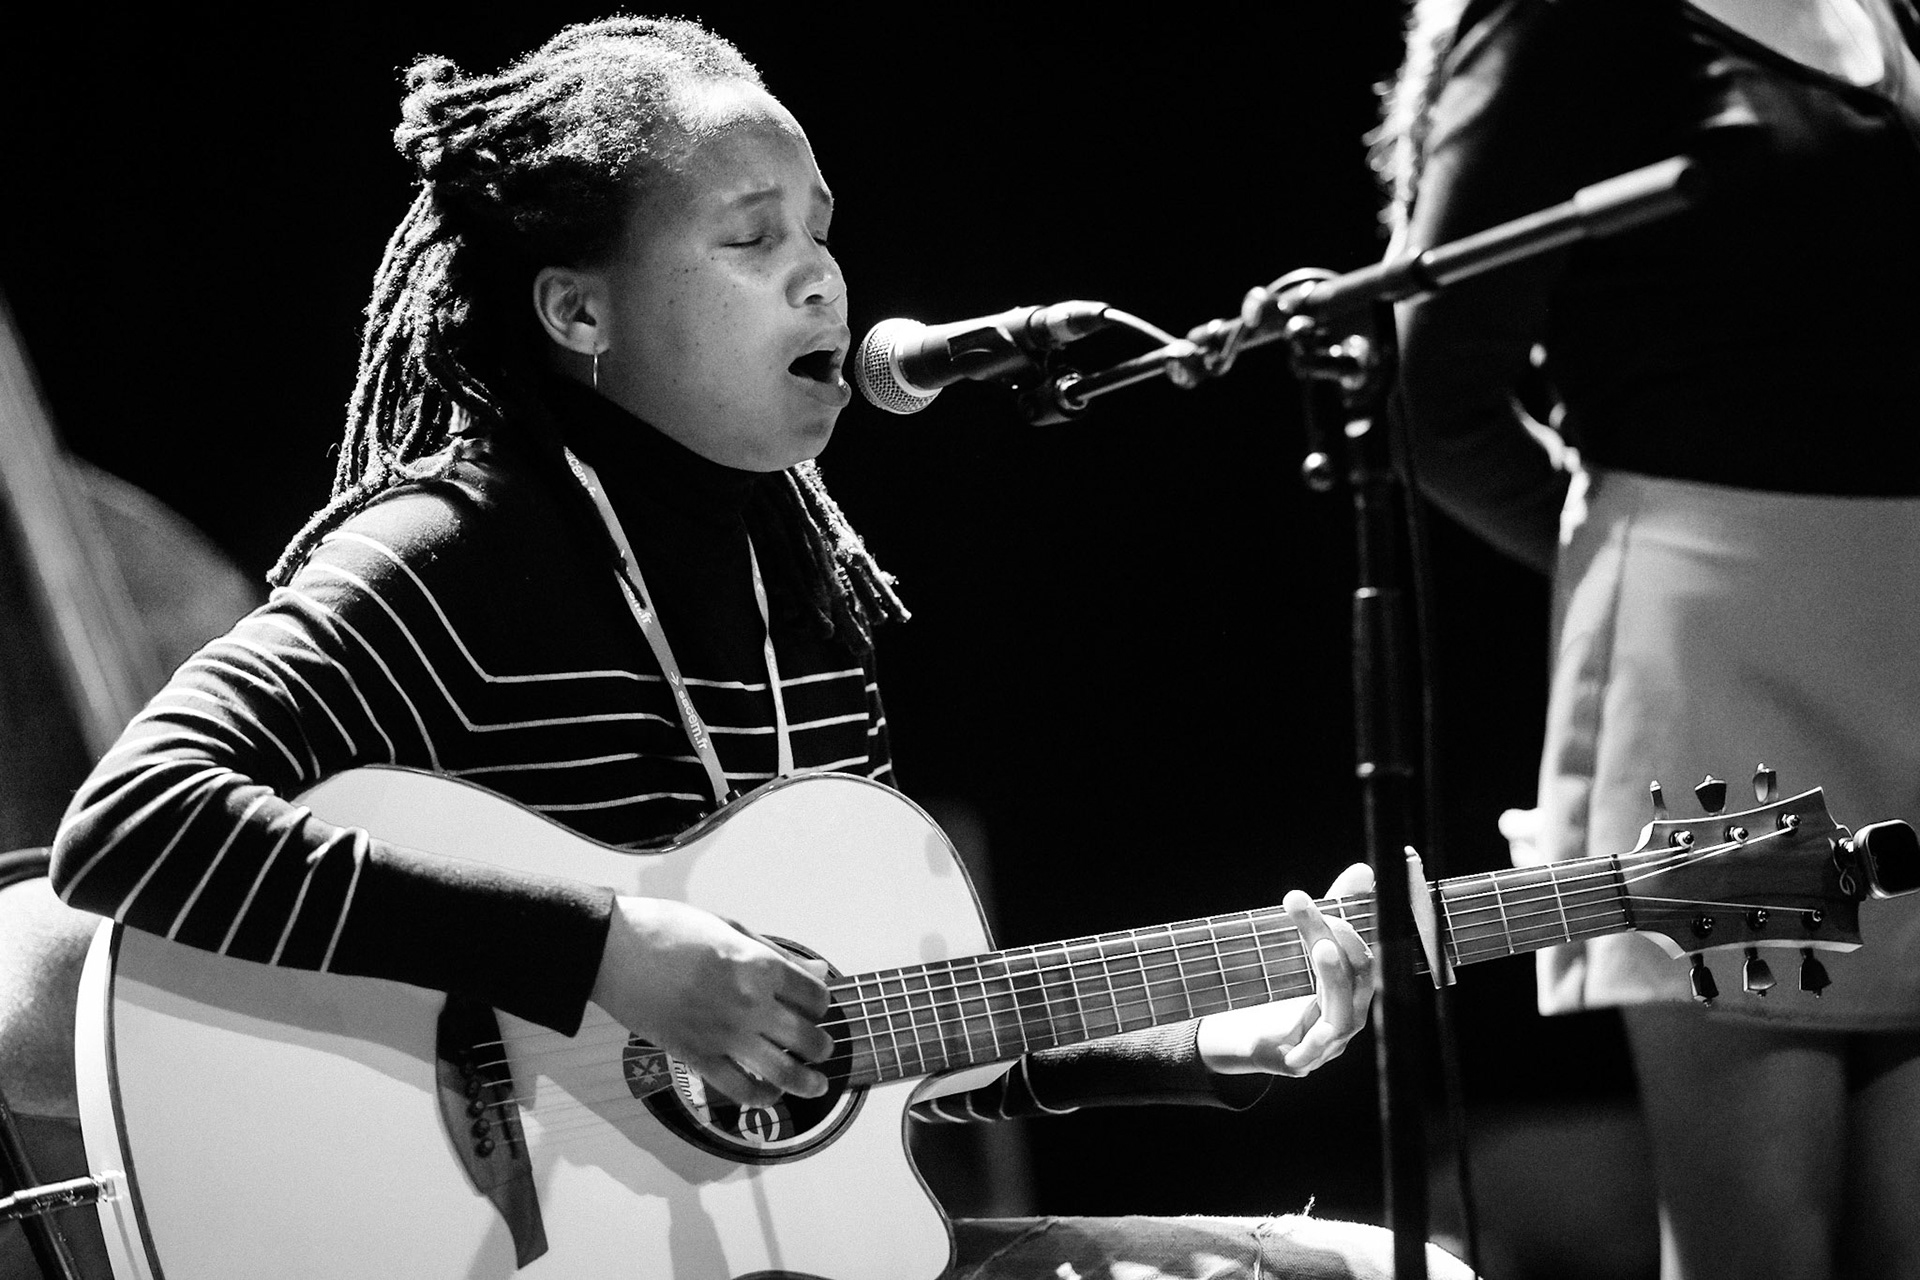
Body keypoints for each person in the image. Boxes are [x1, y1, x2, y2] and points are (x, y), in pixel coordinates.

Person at [43, 18, 1473, 1279]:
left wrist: (1215, 1040)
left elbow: (856, 1049)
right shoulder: (448, 553)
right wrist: (604, 952)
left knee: (1385, 1270)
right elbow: (132, 826)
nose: (820, 281)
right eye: (751, 237)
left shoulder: (801, 596)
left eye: (820, 230)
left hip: (739, 1243)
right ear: (578, 309)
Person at [1379, 1, 1920, 1277]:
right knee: (1762, 1242)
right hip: (1722, 663)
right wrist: (1625, 559)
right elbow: (1433, 395)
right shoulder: (1574, 21)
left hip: (1910, 639)